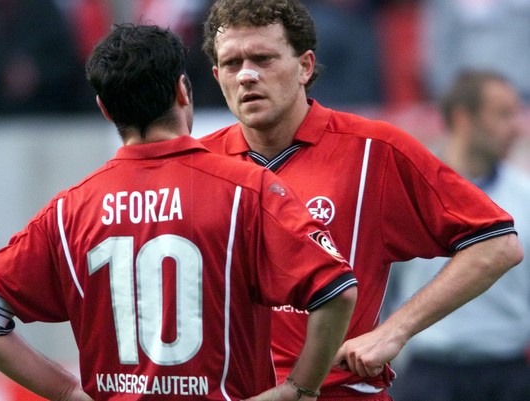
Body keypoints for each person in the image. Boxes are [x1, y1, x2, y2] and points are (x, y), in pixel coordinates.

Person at [0, 23, 359, 401]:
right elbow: (338, 292)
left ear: (105, 109)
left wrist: (68, 393)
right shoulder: (247, 190)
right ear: (183, 90)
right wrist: (300, 389)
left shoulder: (68, 211)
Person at [198, 0, 524, 399]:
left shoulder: (374, 151)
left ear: (304, 66)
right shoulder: (199, 164)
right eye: (232, 64)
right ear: (216, 76)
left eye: (263, 58)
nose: (247, 75)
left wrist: (394, 331)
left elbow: (498, 244)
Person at [383, 69, 530, 401]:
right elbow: (378, 285)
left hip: (508, 374)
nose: (517, 127)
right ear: (464, 118)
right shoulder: (405, 191)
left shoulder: (526, 195)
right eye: (503, 114)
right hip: (427, 375)